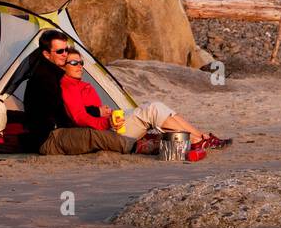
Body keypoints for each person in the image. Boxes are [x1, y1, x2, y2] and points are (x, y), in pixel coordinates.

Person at [24, 29, 229, 156]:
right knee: (153, 108)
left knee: (155, 107)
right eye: (63, 54)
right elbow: (75, 118)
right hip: (85, 132)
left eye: (69, 53)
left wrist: (101, 112)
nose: (70, 59)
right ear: (46, 54)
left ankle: (199, 137)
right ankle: (197, 139)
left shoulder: (72, 81)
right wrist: (106, 121)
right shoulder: (56, 81)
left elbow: (82, 112)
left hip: (106, 124)